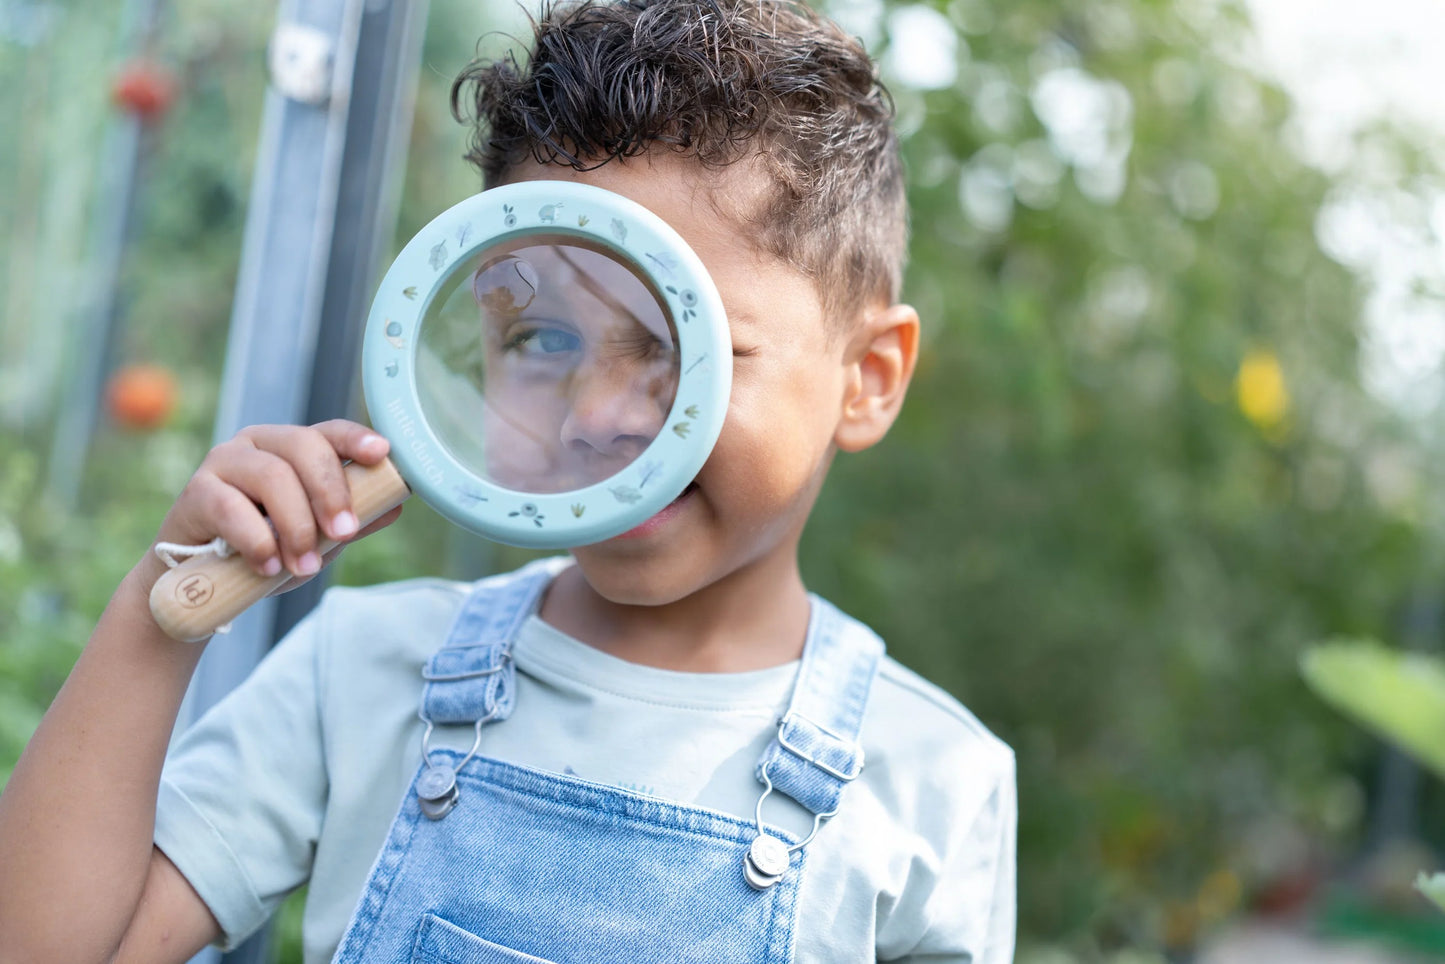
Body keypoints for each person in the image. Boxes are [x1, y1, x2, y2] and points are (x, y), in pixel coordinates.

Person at [0, 0, 1017, 961]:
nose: (595, 413)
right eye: (539, 336)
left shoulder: (931, 779)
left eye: (682, 345)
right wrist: (157, 610)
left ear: (865, 379)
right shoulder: (361, 673)